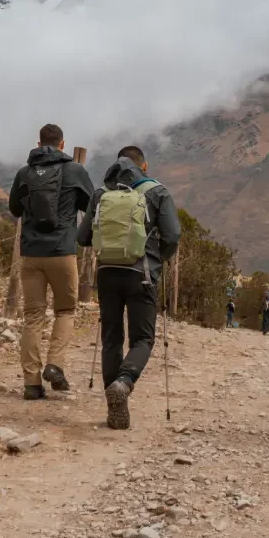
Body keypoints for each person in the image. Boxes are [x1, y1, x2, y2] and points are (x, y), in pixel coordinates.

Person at [77, 145, 181, 430]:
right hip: (142, 273)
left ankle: (114, 407)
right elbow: (173, 235)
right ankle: (124, 382)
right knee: (142, 339)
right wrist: (159, 258)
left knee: (111, 339)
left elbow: (83, 237)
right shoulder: (157, 192)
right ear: (143, 166)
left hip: (107, 273)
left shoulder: (101, 193)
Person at [9, 124, 94, 400]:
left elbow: (14, 209)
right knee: (65, 310)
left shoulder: (24, 173)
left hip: (31, 255)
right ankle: (55, 364)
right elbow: (91, 206)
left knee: (33, 316)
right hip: (62, 253)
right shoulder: (75, 171)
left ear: (39, 144)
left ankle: (31, 384)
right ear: (62, 144)